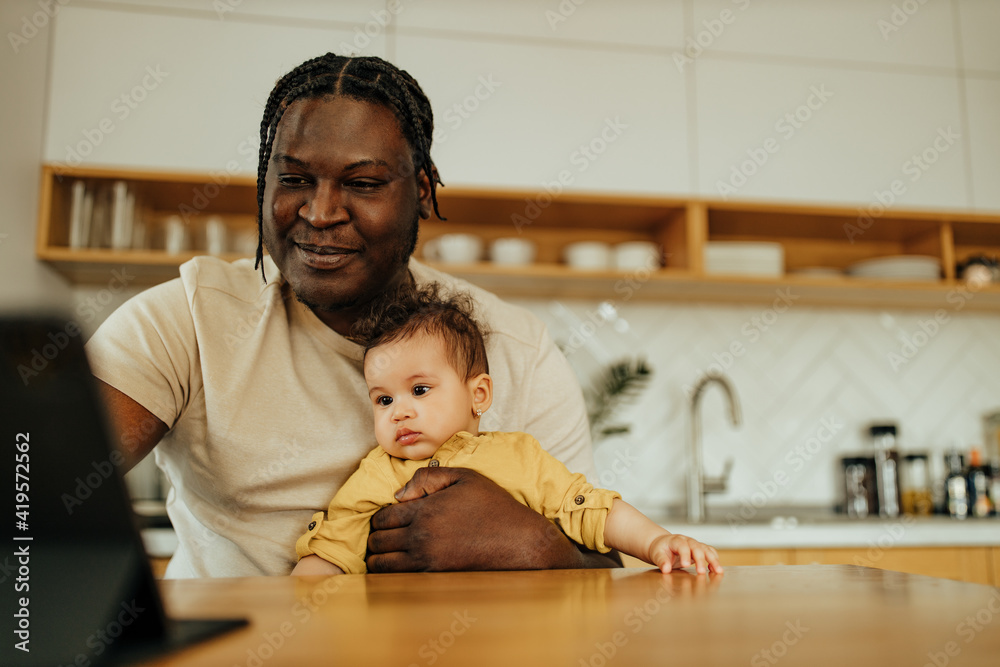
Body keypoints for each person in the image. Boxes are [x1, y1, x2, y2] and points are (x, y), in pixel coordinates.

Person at [86, 52, 618, 577]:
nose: (319, 213)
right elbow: (32, 493)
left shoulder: (513, 348)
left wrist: (534, 545)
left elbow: (606, 567)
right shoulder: (188, 320)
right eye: (294, 179)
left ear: (424, 191)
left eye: (363, 184)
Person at [291, 285, 723, 576]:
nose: (398, 412)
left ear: (478, 395)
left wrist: (658, 543)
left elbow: (591, 510)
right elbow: (331, 550)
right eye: (383, 400)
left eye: (419, 390)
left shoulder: (519, 456)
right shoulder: (379, 473)